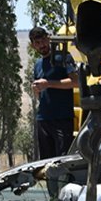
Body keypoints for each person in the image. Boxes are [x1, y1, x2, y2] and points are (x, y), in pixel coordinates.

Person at [29, 27, 77, 159]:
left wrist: (49, 83)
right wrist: (37, 89)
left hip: (62, 119)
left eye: (43, 40)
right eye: (37, 43)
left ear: (49, 38)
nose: (42, 45)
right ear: (33, 46)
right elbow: (41, 93)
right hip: (43, 120)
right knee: (45, 163)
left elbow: (76, 82)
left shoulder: (63, 57)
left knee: (62, 161)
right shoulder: (38, 64)